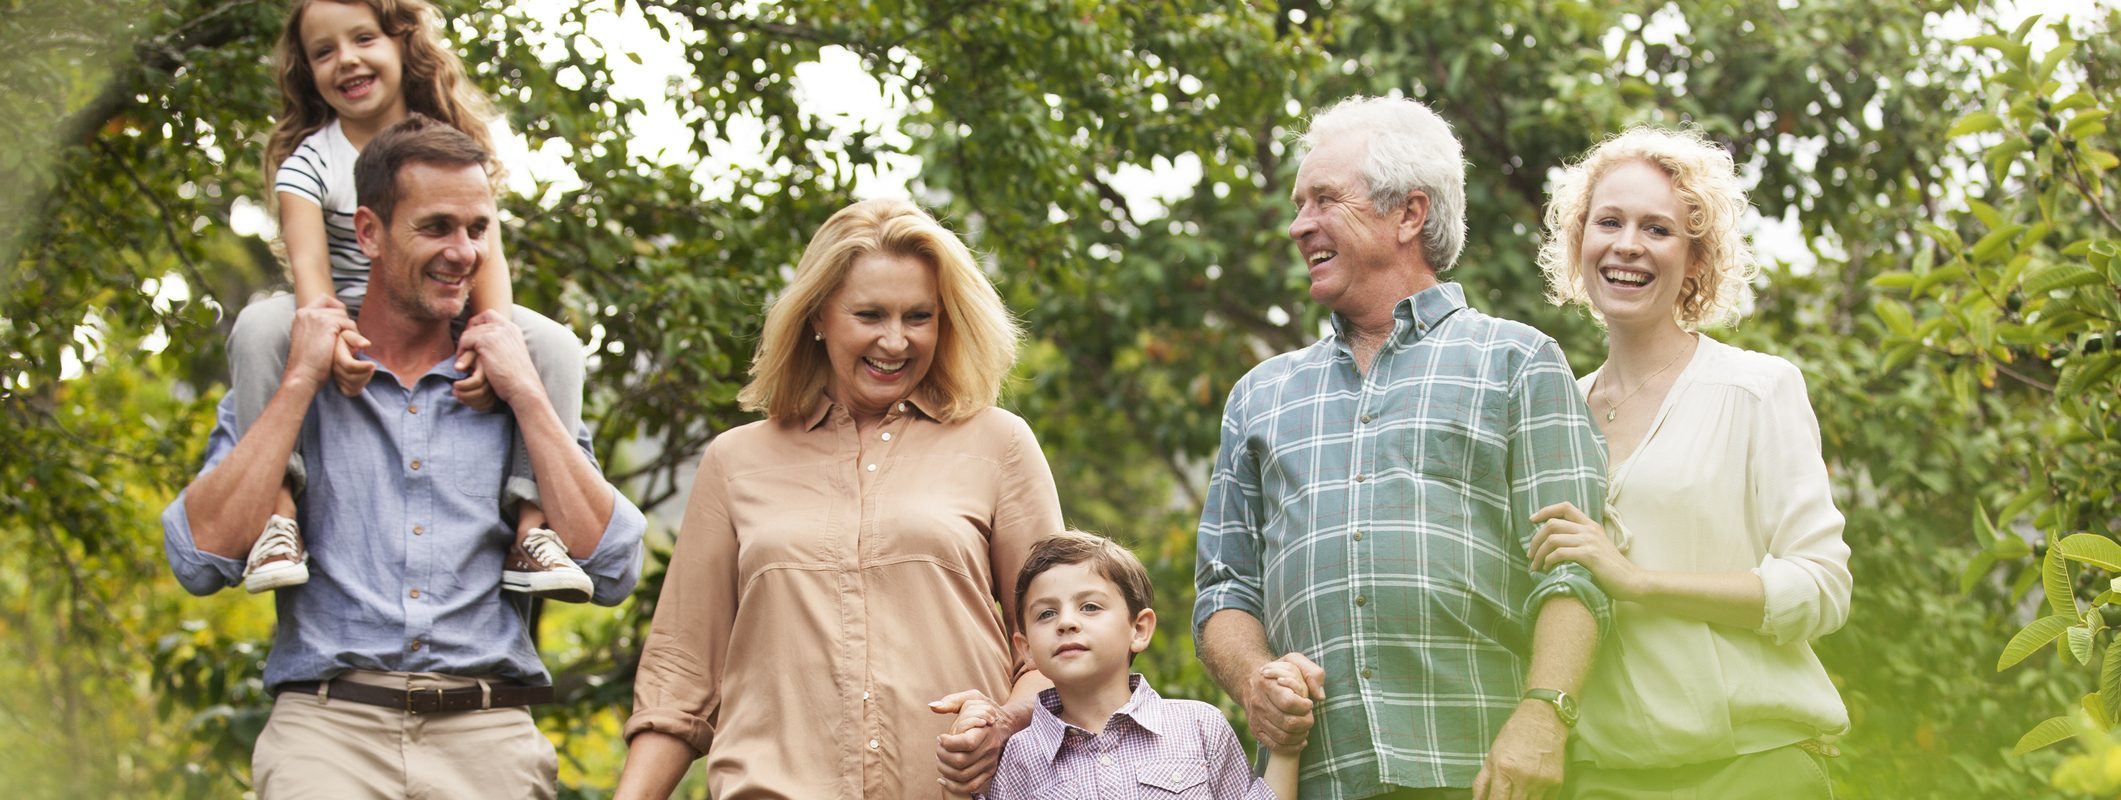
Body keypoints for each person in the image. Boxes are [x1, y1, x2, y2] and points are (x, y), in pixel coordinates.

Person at [162, 115, 646, 799]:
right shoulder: (288, 380)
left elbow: (615, 566)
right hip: (327, 734)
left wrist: (529, 396)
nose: (462, 252)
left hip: (488, 736)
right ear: (368, 233)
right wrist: (300, 380)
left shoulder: (516, 381)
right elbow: (198, 558)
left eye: (478, 229)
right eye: (436, 227)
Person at [1193, 95, 1613, 800]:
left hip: (1479, 771)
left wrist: (1545, 715)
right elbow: (1225, 588)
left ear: (1409, 214)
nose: (1299, 226)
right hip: (1316, 781)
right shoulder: (1259, 395)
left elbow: (1573, 572)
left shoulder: (1516, 361)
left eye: (1324, 199)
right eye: (1298, 205)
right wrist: (1252, 678)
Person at [614, 198, 1065, 799]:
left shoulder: (999, 444)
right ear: (818, 316)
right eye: (871, 314)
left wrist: (1008, 719)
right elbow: (680, 677)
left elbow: (1055, 646)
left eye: (920, 317)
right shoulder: (735, 462)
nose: (896, 341)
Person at [1528, 126, 1851, 798]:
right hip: (1597, 778)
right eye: (1608, 222)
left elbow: (1821, 587)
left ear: (1696, 260)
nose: (1626, 245)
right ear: (1578, 242)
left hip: (1751, 769)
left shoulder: (1756, 388)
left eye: (1658, 230)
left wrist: (1637, 581)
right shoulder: (1555, 408)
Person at [230, 0, 591, 600]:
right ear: (308, 70)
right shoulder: (310, 164)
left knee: (550, 343)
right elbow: (309, 276)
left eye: (363, 39)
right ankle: (277, 515)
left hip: (444, 305)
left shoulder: (453, 147)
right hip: (344, 308)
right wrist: (329, 341)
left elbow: (486, 260)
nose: (346, 60)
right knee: (257, 327)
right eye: (324, 51)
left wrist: (489, 339)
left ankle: (533, 529)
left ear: (402, 43)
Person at [979, 530, 1300, 800]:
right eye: (1046, 613)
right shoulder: (1018, 757)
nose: (1066, 622)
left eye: (1089, 607)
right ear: (1026, 649)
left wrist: (1287, 747)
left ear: (1139, 629)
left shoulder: (1201, 727)